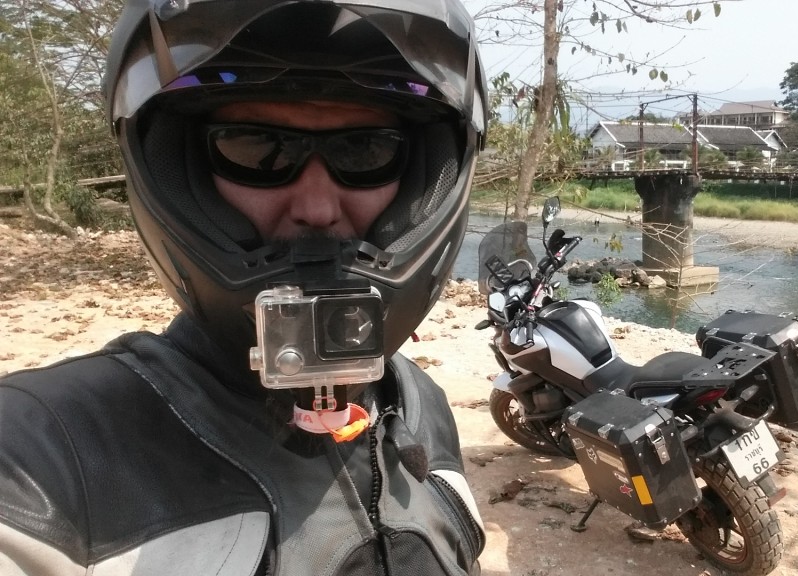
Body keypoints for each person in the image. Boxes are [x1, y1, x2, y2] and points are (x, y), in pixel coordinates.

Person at [0, 1, 488, 574]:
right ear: (178, 169)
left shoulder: (417, 401)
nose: (316, 208)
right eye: (255, 148)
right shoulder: (44, 455)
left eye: (366, 151)